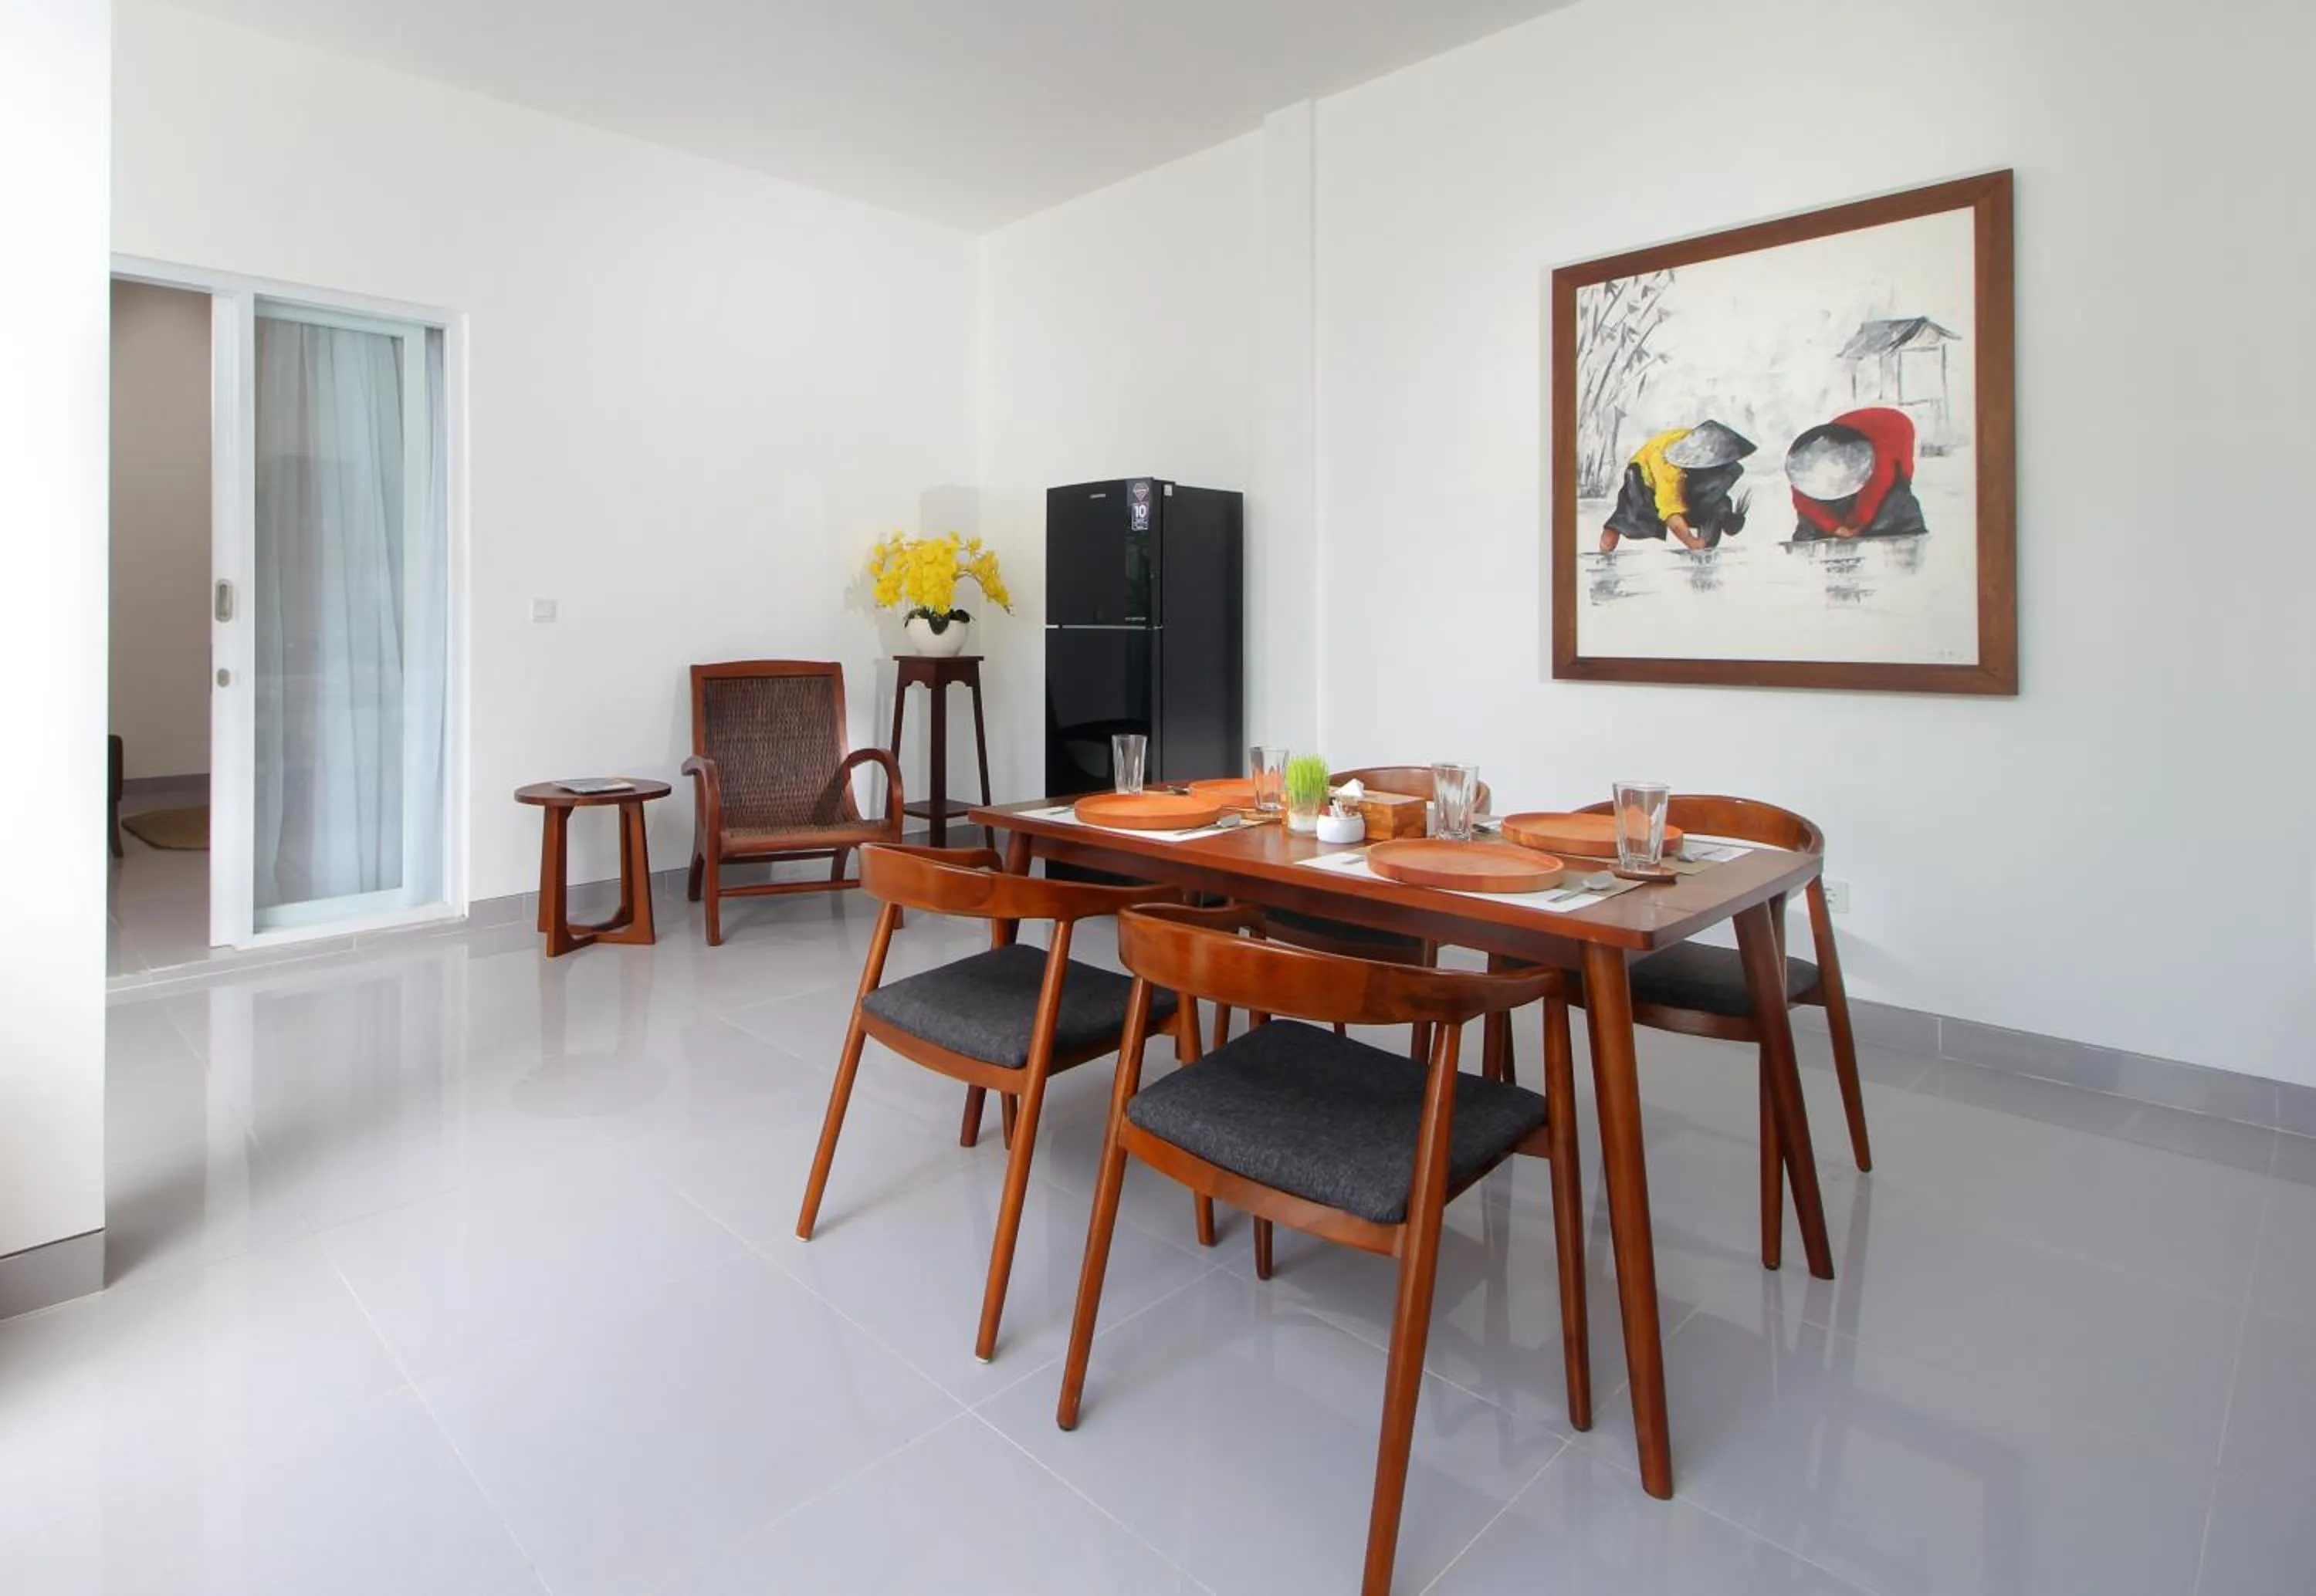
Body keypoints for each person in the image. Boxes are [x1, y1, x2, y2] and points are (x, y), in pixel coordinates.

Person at [1599, 420, 1756, 552]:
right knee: (1624, 521)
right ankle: (1605, 556)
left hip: (1690, 477)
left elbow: (1716, 495)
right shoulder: (1667, 468)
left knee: (1718, 506)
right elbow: (1671, 513)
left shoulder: (1722, 462)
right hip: (1644, 479)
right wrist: (1690, 541)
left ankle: (1705, 555)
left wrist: (1727, 519)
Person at [1785, 406, 1928, 539]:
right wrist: (1834, 527)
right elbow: (1802, 496)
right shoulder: (1809, 460)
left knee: (1893, 500)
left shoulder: (1885, 453)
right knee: (1818, 514)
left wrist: (1856, 525)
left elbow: (1880, 483)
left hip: (1893, 429)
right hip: (1845, 434)